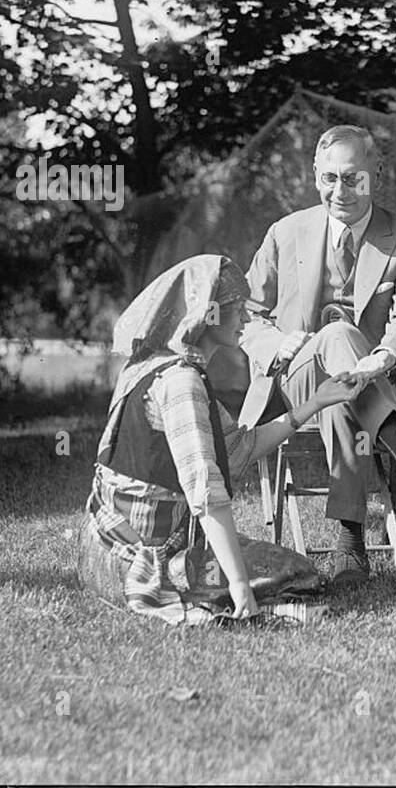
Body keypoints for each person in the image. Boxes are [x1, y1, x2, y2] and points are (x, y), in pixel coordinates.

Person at [76, 255, 361, 626]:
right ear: (205, 314)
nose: (246, 318)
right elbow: (206, 493)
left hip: (100, 549)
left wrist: (317, 402)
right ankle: (224, 599)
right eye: (237, 308)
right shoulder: (182, 382)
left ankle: (218, 583)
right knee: (297, 573)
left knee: (274, 565)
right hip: (141, 564)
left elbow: (243, 448)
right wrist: (242, 587)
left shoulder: (154, 364)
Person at [234, 125, 396, 589]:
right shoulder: (285, 232)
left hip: (371, 379)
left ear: (377, 174)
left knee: (340, 390)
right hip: (291, 376)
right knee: (336, 335)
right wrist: (276, 344)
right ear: (315, 176)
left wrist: (384, 358)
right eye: (330, 178)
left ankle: (349, 540)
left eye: (353, 178)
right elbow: (245, 316)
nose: (341, 190)